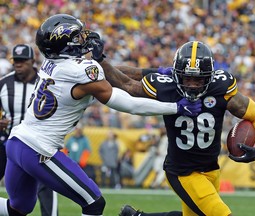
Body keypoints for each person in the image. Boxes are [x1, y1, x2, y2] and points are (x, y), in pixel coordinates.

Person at [0, 14, 200, 216]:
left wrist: (151, 72)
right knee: (94, 202)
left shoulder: (52, 63)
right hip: (38, 150)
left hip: (16, 143)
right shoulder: (81, 72)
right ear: (64, 43)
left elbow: (106, 75)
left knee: (17, 209)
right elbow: (128, 102)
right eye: (77, 37)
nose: (83, 40)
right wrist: (175, 107)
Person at [99, 41, 255, 216]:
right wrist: (99, 61)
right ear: (176, 74)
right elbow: (126, 82)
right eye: (187, 78)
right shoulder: (167, 87)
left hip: (211, 169)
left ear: (209, 76)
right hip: (183, 172)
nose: (192, 84)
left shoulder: (221, 88)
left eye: (198, 79)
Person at [0, 44, 58, 216]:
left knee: (46, 185)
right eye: (16, 61)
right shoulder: (4, 83)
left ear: (33, 61)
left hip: (37, 144)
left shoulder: (46, 83)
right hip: (7, 142)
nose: (18, 64)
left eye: (22, 61)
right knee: (19, 198)